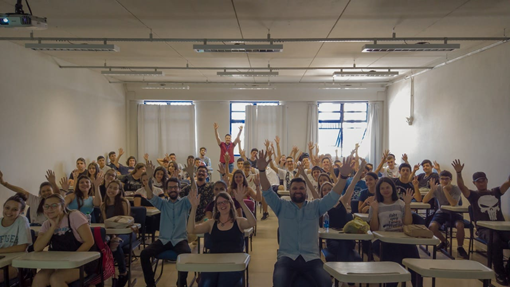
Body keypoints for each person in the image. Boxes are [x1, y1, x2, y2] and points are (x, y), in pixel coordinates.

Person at [258, 149, 354, 287]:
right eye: (295, 188)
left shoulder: (315, 207)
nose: (298, 191)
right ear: (289, 191)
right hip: (287, 258)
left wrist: (343, 177)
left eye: (301, 188)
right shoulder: (281, 206)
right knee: (279, 282)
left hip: (312, 259)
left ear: (305, 191)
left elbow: (333, 196)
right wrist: (262, 171)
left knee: (326, 282)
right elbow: (267, 191)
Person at [452, 159, 510, 285]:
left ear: (487, 181)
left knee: (500, 239)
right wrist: (459, 173)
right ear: (474, 183)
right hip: (485, 229)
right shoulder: (473, 195)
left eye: (483, 180)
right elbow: (462, 187)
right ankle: (499, 273)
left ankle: (508, 270)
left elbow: (507, 183)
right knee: (494, 241)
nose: (482, 183)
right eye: (478, 181)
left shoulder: (495, 192)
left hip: (502, 227)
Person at [187, 184, 257, 287]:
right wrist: (193, 208)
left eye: (225, 202)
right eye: (219, 203)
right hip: (213, 262)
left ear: (230, 203)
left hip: (233, 263)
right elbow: (191, 230)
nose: (222, 205)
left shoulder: (238, 222)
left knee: (223, 284)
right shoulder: (211, 223)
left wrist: (241, 201)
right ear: (216, 207)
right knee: (206, 284)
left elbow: (252, 223)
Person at [140, 162, 192, 287]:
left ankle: (181, 283)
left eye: (175, 187)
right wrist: (149, 178)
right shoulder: (163, 203)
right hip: (163, 240)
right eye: (170, 188)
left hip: (180, 239)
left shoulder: (185, 202)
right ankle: (150, 284)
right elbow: (149, 195)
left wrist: (191, 175)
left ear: (179, 189)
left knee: (186, 255)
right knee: (144, 254)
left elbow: (194, 192)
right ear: (167, 190)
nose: (173, 189)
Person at [32, 194, 98, 287]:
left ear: (63, 206)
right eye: (46, 206)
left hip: (82, 261)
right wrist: (53, 226)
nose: (50, 209)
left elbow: (89, 242)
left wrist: (71, 261)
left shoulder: (74, 216)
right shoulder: (47, 224)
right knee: (39, 278)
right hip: (58, 262)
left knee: (56, 279)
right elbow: (37, 247)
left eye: (54, 205)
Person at [368, 178, 419, 287]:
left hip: (401, 238)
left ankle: (417, 283)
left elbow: (407, 223)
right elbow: (374, 229)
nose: (385, 190)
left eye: (388, 187)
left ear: (393, 188)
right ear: (378, 190)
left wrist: (408, 204)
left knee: (414, 260)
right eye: (382, 188)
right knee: (395, 259)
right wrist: (375, 210)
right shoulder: (375, 205)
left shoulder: (401, 203)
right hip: (382, 240)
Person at [422, 170, 468, 259]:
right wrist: (432, 190)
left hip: (455, 212)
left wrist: (445, 190)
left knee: (460, 225)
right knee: (432, 227)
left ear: (451, 180)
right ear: (439, 180)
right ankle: (444, 242)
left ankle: (460, 247)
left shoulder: (456, 189)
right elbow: (424, 200)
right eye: (442, 179)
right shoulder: (437, 188)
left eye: (447, 179)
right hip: (442, 212)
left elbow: (453, 203)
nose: (444, 181)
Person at [100, 180, 132, 287]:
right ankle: (101, 273)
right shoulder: (103, 205)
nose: (112, 190)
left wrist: (115, 236)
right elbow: (106, 224)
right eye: (110, 187)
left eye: (115, 188)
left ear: (119, 191)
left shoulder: (123, 202)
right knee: (101, 243)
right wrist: (112, 235)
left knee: (115, 244)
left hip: (126, 232)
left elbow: (127, 221)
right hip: (111, 233)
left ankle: (123, 272)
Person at [0, 195, 32, 283]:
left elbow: (22, 248)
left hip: (17, 263)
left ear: (21, 211)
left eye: (15, 209)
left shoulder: (22, 221)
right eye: (7, 208)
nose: (9, 212)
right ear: (3, 207)